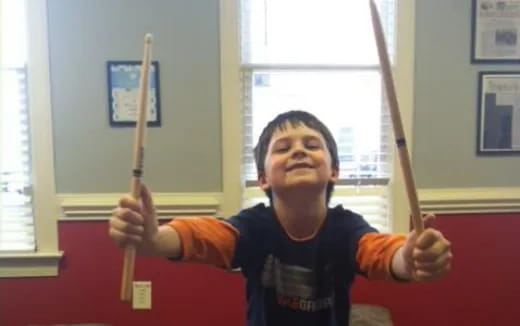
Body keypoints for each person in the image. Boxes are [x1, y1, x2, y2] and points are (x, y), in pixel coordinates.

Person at [109, 110, 452, 326]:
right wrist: (153, 240)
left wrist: (412, 256)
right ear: (263, 178)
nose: (299, 150)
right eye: (283, 148)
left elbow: (382, 252)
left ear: (334, 170)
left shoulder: (346, 229)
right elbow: (206, 236)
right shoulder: (254, 227)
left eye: (311, 145)